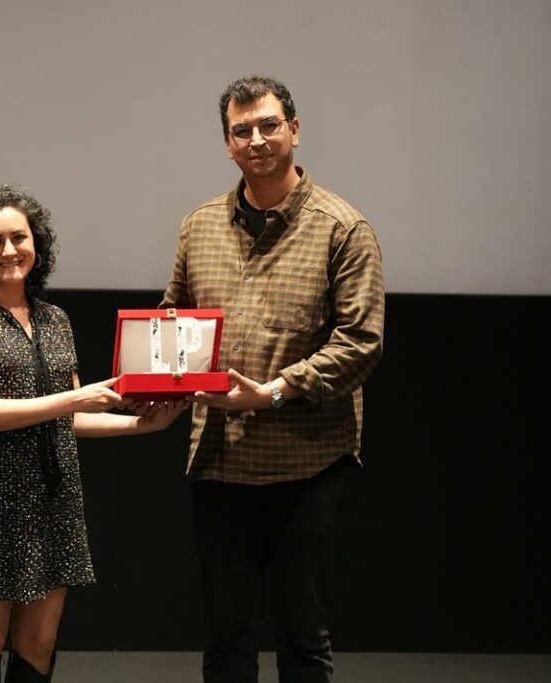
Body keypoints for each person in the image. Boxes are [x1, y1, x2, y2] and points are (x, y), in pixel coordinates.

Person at [160, 75, 385, 682]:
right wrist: (159, 385)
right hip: (219, 461)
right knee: (226, 635)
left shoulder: (343, 228)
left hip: (306, 463)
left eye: (268, 125)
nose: (256, 140)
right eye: (242, 131)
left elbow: (361, 342)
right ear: (227, 144)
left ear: (294, 130)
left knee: (302, 636)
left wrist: (276, 391)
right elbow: (174, 322)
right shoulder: (199, 226)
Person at [0, 185, 187, 683]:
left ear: (37, 243)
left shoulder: (55, 320)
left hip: (54, 502)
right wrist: (74, 398)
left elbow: (69, 419)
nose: (9, 251)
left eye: (19, 238)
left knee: (39, 646)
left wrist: (142, 424)